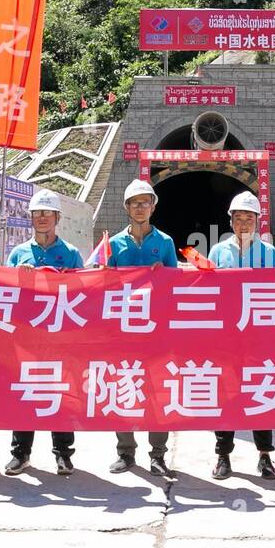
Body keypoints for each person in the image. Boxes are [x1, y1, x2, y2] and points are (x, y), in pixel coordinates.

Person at [5, 189, 83, 476]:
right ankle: (20, 453)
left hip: (59, 336)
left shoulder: (71, 253)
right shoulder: (18, 253)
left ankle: (63, 454)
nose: (41, 218)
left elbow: (83, 293)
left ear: (57, 217)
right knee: (27, 392)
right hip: (27, 335)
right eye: (36, 213)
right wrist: (19, 278)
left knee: (61, 394)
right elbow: (4, 292)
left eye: (46, 213)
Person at [207, 191, 275, 480]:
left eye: (248, 218)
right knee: (227, 395)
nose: (243, 223)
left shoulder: (269, 253)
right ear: (231, 220)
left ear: (257, 221)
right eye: (238, 218)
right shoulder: (217, 252)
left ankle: (264, 456)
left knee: (261, 392)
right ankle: (223, 455)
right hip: (226, 338)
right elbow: (208, 291)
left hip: (258, 336)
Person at [106, 180, 175, 477]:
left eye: (145, 202)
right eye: (134, 203)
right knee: (124, 387)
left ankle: (158, 454)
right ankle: (125, 452)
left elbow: (176, 286)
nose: (140, 207)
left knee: (158, 391)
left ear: (153, 206)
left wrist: (165, 276)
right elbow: (101, 281)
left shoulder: (166, 243)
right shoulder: (113, 244)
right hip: (123, 329)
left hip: (156, 330)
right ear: (126, 208)